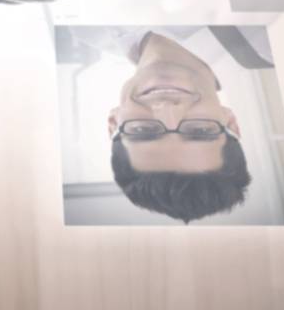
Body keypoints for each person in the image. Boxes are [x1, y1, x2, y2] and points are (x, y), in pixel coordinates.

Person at [57, 26, 261, 222]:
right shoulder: (261, 40)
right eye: (199, 130)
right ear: (231, 123)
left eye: (143, 130)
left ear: (114, 122)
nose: (166, 107)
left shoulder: (87, 30)